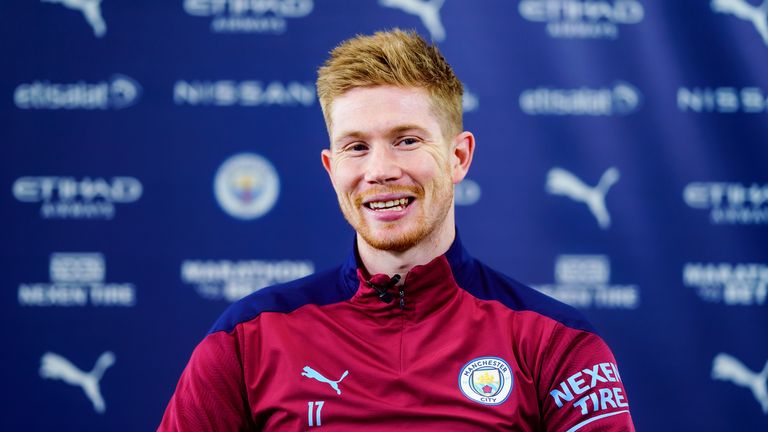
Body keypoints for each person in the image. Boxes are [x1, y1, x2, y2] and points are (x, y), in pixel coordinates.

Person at [159, 29, 635, 431]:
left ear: (458, 157)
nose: (380, 170)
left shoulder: (556, 343)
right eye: (356, 147)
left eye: (406, 140)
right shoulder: (248, 338)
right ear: (330, 168)